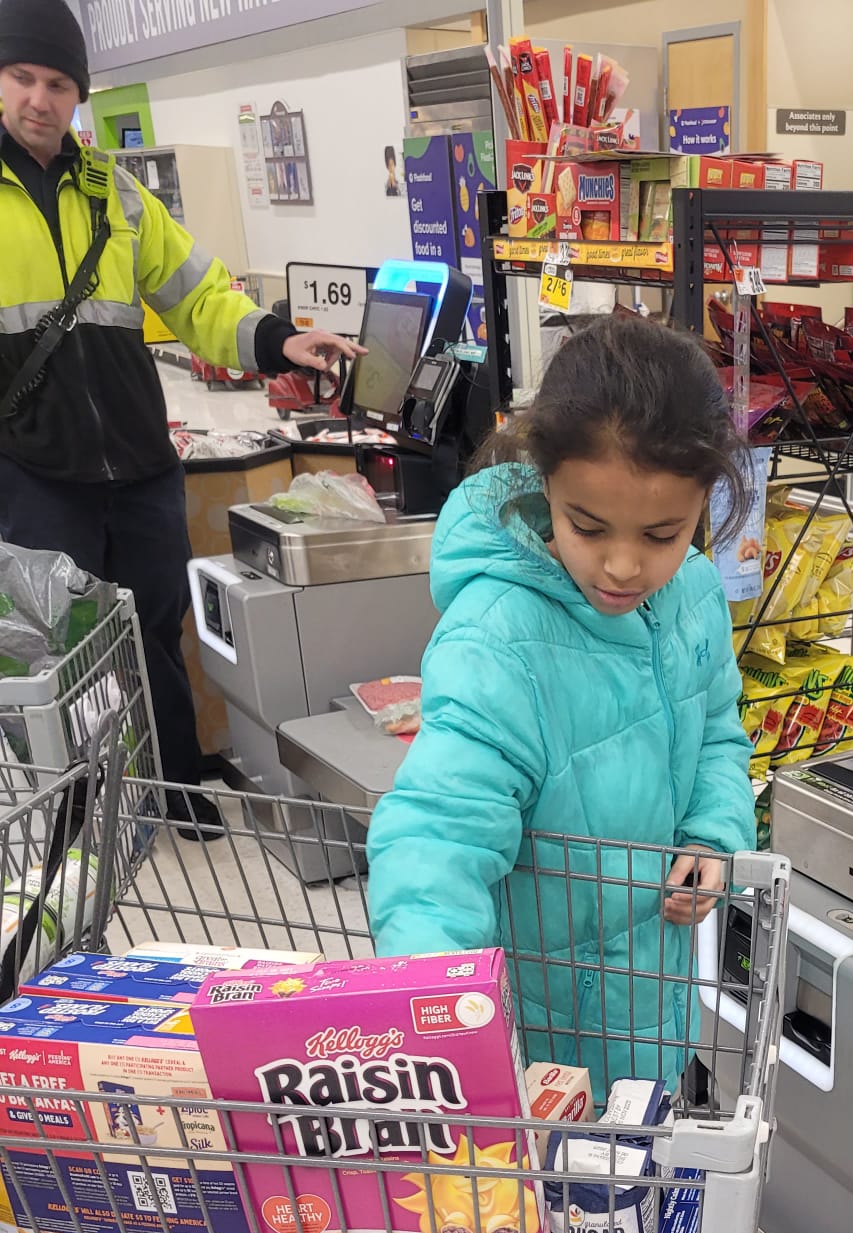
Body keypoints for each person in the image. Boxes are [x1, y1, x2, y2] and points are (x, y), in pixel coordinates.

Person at [366, 314, 756, 1098]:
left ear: (702, 506)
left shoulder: (695, 596)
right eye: (588, 526)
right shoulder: (497, 643)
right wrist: (441, 1029)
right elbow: (435, 843)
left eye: (662, 534)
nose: (623, 566)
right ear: (545, 484)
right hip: (537, 1052)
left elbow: (718, 732)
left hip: (652, 1006)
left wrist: (713, 835)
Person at [0, 0, 359, 830]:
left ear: (79, 95)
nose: (40, 100)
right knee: (57, 650)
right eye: (22, 78)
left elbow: (199, 295)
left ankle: (174, 788)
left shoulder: (113, 192)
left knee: (156, 630)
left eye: (59, 84)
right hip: (34, 471)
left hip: (138, 465)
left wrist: (278, 339)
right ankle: (82, 813)